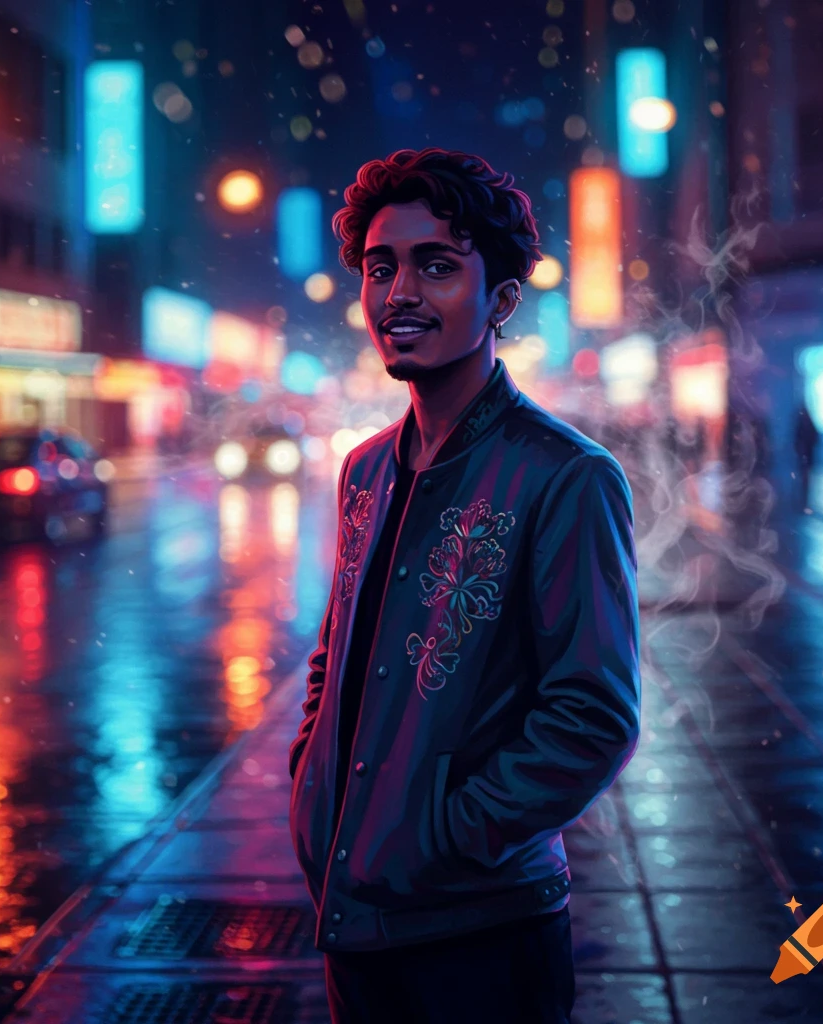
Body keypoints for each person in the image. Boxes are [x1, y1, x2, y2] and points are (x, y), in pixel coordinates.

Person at [288, 148, 641, 1024]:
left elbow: (593, 716)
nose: (400, 292)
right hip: (356, 920)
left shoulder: (565, 475)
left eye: (436, 266)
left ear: (501, 301)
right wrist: (312, 789)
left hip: (483, 935)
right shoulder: (365, 470)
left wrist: (443, 838)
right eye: (381, 267)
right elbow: (336, 661)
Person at [793, 403, 819, 508]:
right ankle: (803, 500)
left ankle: (803, 500)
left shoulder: (804, 425)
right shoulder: (807, 425)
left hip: (805, 456)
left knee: (804, 478)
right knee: (804, 478)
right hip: (805, 456)